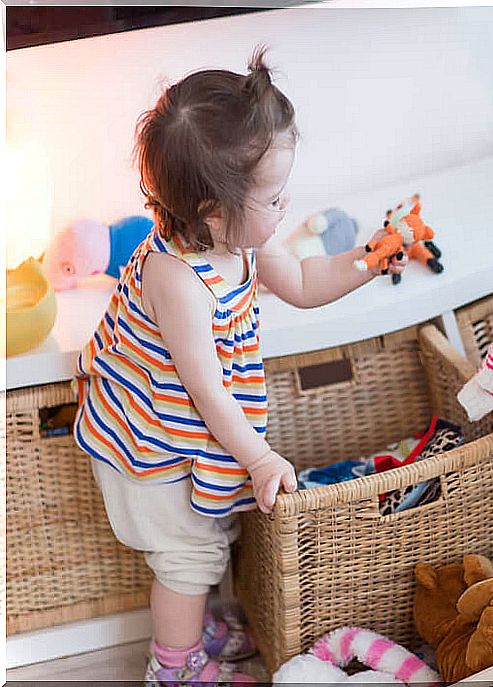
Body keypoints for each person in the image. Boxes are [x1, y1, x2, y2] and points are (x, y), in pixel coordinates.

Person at [73, 48, 405, 685]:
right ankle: (174, 667)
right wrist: (256, 458)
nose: (286, 206)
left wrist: (373, 256)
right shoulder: (178, 279)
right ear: (212, 211)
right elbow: (205, 390)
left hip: (191, 433)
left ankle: (191, 626)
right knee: (187, 558)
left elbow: (305, 281)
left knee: (209, 535)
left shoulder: (241, 236)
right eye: (275, 197)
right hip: (152, 443)